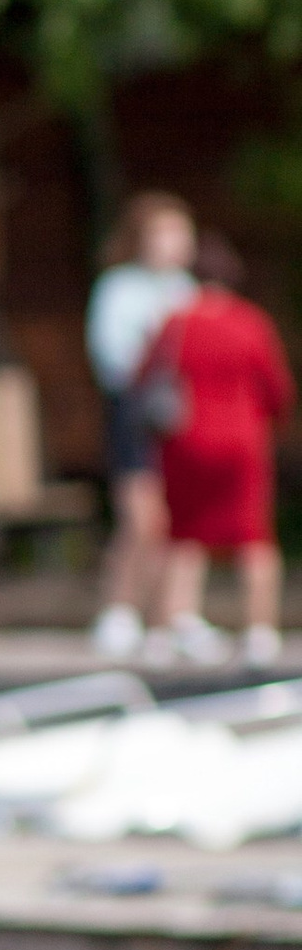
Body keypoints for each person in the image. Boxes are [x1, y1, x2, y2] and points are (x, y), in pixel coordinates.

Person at [140, 234, 292, 668]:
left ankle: (172, 627)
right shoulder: (252, 322)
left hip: (186, 440)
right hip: (244, 440)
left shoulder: (177, 321)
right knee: (254, 536)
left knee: (182, 534)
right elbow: (277, 389)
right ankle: (261, 632)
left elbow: (143, 376)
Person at [85, 191, 197, 661]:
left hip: (184, 412)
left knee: (185, 516)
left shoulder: (187, 288)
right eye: (162, 233)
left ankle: (175, 616)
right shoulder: (119, 287)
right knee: (141, 516)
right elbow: (112, 355)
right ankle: (120, 611)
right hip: (135, 410)